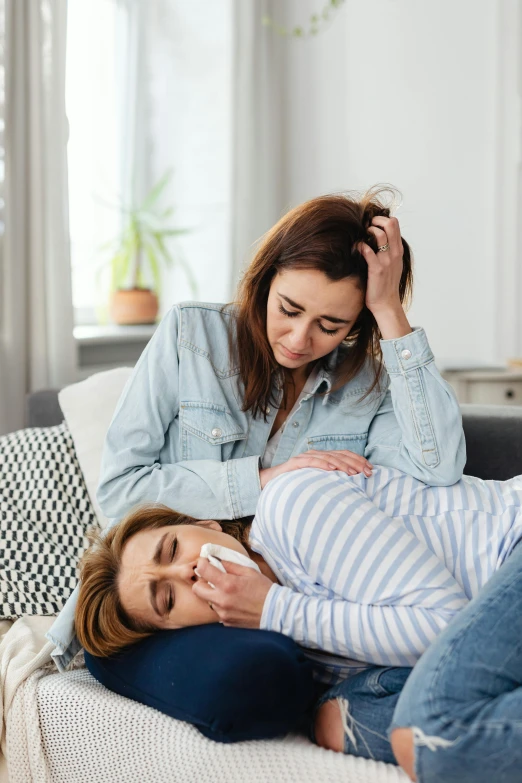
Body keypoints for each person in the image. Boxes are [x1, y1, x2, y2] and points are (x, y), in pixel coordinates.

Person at [48, 187, 465, 670]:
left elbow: (438, 472)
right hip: (200, 604)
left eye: (330, 325)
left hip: (304, 608)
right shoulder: (192, 338)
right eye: (289, 309)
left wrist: (390, 311)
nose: (299, 339)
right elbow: (122, 493)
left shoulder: (367, 381)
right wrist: (264, 481)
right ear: (266, 279)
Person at [75, 463, 522, 763]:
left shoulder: (293, 506)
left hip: (511, 547)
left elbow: (447, 629)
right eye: (167, 598)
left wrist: (274, 608)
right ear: (176, 634)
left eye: (172, 548)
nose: (186, 571)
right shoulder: (296, 656)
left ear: (206, 524)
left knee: (432, 731)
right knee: (342, 718)